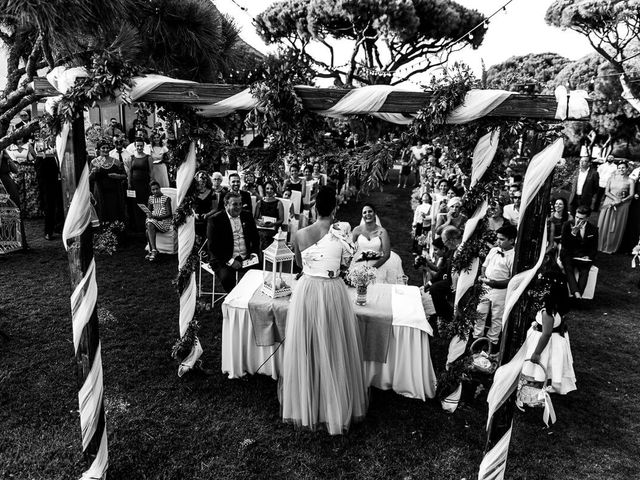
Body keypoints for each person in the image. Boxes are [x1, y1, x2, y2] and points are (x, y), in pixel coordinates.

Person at [281, 186, 368, 435]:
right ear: (335, 208)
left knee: (306, 344)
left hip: (307, 288)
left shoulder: (300, 233)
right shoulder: (341, 235)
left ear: (314, 207)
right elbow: (347, 262)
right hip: (332, 290)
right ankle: (331, 403)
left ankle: (308, 401)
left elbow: (299, 263)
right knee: (333, 344)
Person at [522, 279, 576, 395]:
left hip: (544, 343)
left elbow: (546, 334)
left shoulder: (547, 313)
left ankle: (537, 384)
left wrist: (537, 352)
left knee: (541, 362)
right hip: (555, 340)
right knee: (551, 363)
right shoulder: (559, 310)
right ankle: (542, 383)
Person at [207, 191, 260, 293]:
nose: (239, 207)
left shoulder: (247, 216)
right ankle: (234, 299)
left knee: (259, 274)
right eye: (235, 204)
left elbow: (256, 238)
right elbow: (213, 247)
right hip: (223, 259)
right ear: (226, 205)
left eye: (240, 204)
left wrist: (253, 254)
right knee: (227, 279)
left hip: (247, 257)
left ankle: (250, 298)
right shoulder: (215, 220)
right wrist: (230, 261)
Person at [474, 224, 517, 348]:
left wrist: (495, 283)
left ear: (512, 240)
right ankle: (477, 337)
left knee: (496, 316)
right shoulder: (493, 250)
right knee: (480, 312)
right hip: (486, 287)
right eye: (497, 238)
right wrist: (483, 276)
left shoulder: (513, 256)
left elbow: (512, 279)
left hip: (500, 291)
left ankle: (492, 341)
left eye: (502, 239)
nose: (498, 241)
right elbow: (484, 265)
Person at [349, 203, 405, 284]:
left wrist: (372, 269)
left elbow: (386, 255)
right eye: (364, 212)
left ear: (375, 214)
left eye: (370, 211)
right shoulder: (357, 230)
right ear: (362, 215)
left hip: (377, 266)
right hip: (360, 266)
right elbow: (349, 249)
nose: (367, 214)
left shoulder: (382, 232)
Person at [560, 206, 598, 299]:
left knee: (585, 271)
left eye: (581, 218)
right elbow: (565, 245)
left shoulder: (593, 229)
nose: (577, 220)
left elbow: (594, 248)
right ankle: (577, 294)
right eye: (576, 217)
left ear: (587, 218)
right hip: (568, 254)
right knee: (568, 268)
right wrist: (573, 233)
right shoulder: (567, 225)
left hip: (584, 256)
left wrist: (589, 257)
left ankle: (578, 295)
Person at [598, 161, 635, 254]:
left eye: (623, 168)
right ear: (617, 169)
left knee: (616, 225)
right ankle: (600, 244)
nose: (621, 169)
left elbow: (631, 195)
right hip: (609, 202)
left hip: (622, 205)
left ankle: (611, 246)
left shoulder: (630, 180)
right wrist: (615, 199)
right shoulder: (611, 178)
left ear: (627, 169)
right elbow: (606, 192)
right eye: (619, 168)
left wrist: (621, 201)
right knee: (604, 222)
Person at [89, 142, 127, 223]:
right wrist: (93, 172)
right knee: (102, 212)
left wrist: (117, 176)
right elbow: (89, 179)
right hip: (100, 193)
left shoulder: (116, 162)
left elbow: (125, 176)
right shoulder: (94, 162)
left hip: (114, 193)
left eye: (107, 148)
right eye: (103, 148)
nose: (106, 150)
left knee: (114, 212)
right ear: (99, 150)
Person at [34, 133, 62, 240]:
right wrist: (43, 187)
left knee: (61, 206)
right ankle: (48, 231)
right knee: (49, 207)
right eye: (52, 139)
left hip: (62, 182)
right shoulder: (43, 152)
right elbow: (39, 170)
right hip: (49, 184)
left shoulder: (62, 151)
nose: (54, 141)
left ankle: (59, 227)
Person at [0, 147, 29, 250]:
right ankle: (6, 244)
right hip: (1, 185)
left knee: (14, 212)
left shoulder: (4, 151)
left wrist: (8, 158)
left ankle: (20, 243)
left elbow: (15, 170)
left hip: (8, 183)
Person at [127, 139, 154, 233]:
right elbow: (130, 171)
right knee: (135, 205)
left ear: (143, 146)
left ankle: (146, 225)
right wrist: (129, 183)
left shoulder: (148, 157)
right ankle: (137, 227)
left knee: (145, 204)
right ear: (135, 146)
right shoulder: (132, 157)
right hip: (134, 185)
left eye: (141, 146)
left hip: (145, 185)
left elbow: (151, 172)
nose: (139, 147)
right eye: (137, 145)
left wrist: (151, 183)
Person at [144, 181, 172, 262]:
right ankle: (153, 250)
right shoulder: (151, 198)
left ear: (160, 189)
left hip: (163, 222)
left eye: (157, 189)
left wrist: (155, 217)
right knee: (147, 231)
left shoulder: (166, 198)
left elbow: (169, 214)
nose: (155, 191)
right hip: (153, 221)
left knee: (149, 224)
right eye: (153, 190)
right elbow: (149, 211)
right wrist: (148, 214)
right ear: (151, 190)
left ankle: (153, 251)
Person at [254, 180, 284, 249]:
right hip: (262, 227)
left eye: (271, 188)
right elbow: (255, 218)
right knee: (260, 235)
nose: (269, 191)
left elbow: (281, 219)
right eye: (267, 188)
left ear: (274, 190)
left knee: (267, 236)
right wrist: (259, 223)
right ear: (264, 189)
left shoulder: (279, 203)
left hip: (273, 228)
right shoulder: (260, 202)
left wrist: (273, 224)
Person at [621, 163, 640, 252]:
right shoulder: (636, 171)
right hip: (634, 204)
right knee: (630, 223)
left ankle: (634, 246)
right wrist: (634, 193)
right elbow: (630, 183)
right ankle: (627, 246)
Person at [193, 171, 216, 239]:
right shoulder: (193, 191)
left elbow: (215, 208)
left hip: (207, 219)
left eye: (205, 178)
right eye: (201, 177)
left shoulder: (212, 192)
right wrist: (194, 214)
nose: (203, 180)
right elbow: (188, 206)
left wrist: (207, 214)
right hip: (194, 219)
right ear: (197, 178)